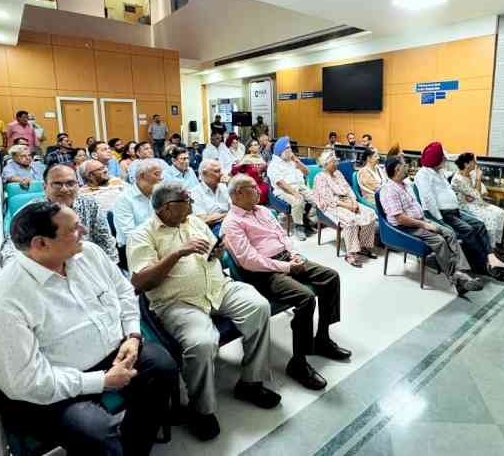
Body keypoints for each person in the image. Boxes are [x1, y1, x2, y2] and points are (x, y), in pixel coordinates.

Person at [0, 202, 177, 456]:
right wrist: (101, 381)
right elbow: (27, 382)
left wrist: (133, 336)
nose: (84, 230)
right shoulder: (4, 302)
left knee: (162, 366)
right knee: (93, 431)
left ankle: (135, 448)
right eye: (73, 228)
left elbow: (124, 291)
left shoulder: (88, 254)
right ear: (41, 244)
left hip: (112, 354)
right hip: (49, 388)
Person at [127, 182, 280, 441]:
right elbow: (140, 282)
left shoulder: (194, 222)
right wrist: (177, 253)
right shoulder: (142, 235)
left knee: (258, 306)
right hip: (178, 301)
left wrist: (217, 253)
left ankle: (250, 383)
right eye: (187, 201)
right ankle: (202, 410)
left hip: (218, 288)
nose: (192, 205)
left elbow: (213, 255)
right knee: (201, 342)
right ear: (167, 207)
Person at [223, 174, 352, 391]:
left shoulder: (262, 210)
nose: (258, 190)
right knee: (306, 298)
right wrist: (287, 267)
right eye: (252, 188)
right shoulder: (232, 222)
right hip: (264, 273)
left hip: (286, 258)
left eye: (257, 187)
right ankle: (298, 363)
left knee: (330, 277)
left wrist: (294, 254)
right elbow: (249, 261)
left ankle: (322, 338)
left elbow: (282, 235)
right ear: (237, 193)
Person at [381, 157, 483, 295]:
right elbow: (400, 219)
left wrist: (426, 221)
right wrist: (424, 224)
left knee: (449, 233)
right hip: (406, 227)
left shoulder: (405, 185)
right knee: (439, 241)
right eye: (405, 165)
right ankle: (458, 279)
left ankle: (462, 274)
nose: (408, 167)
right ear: (397, 169)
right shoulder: (389, 190)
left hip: (420, 220)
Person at [414, 142, 504, 282]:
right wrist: (439, 219)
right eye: (442, 157)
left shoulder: (439, 171)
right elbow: (428, 199)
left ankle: (491, 258)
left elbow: (451, 158)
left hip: (455, 211)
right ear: (436, 159)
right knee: (469, 230)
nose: (445, 159)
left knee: (479, 224)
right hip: (443, 214)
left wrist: (464, 155)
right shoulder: (423, 174)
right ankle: (484, 265)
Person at [0, 163, 119, 265]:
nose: (65, 189)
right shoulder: (32, 211)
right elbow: (10, 248)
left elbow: (105, 240)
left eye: (71, 183)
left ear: (78, 185)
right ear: (45, 186)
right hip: (49, 270)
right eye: (57, 184)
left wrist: (111, 270)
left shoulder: (90, 205)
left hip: (87, 265)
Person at [312, 151, 377, 267]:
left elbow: (348, 189)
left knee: (370, 213)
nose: (336, 163)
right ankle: (350, 254)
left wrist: (354, 202)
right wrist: (349, 207)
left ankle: (363, 246)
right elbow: (329, 200)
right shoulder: (320, 178)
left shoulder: (338, 173)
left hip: (348, 201)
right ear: (326, 164)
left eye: (336, 161)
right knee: (350, 220)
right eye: (333, 162)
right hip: (332, 206)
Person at [451, 153, 504, 248]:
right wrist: (478, 179)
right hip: (465, 206)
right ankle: (489, 248)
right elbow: (477, 194)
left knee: (500, 212)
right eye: (473, 161)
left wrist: (474, 192)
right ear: (466, 164)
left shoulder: (471, 174)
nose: (476, 163)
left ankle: (495, 243)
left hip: (476, 202)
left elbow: (481, 192)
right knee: (490, 217)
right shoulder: (457, 179)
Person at [267, 136, 315, 240]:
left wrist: (296, 160)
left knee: (315, 199)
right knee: (298, 201)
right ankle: (298, 227)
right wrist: (295, 193)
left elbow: (307, 172)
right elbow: (281, 183)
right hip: (283, 190)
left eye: (290, 148)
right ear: (280, 151)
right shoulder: (273, 165)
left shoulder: (292, 161)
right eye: (287, 148)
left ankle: (305, 219)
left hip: (300, 186)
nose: (290, 150)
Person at [113, 159, 163, 248]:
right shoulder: (124, 199)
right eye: (157, 174)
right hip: (133, 246)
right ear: (142, 176)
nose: (161, 178)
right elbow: (129, 234)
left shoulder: (158, 194)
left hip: (157, 241)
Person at [191, 159, 231, 235]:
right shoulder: (195, 193)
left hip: (229, 222)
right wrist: (227, 215)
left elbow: (237, 209)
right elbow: (204, 220)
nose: (222, 174)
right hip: (210, 229)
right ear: (204, 173)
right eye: (217, 171)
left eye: (220, 170)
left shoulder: (224, 187)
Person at [231, 139, 269, 205]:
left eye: (257, 145)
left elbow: (266, 171)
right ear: (249, 148)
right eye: (254, 145)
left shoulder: (260, 158)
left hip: (261, 183)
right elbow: (234, 171)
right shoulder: (246, 158)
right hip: (251, 184)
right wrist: (243, 175)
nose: (257, 146)